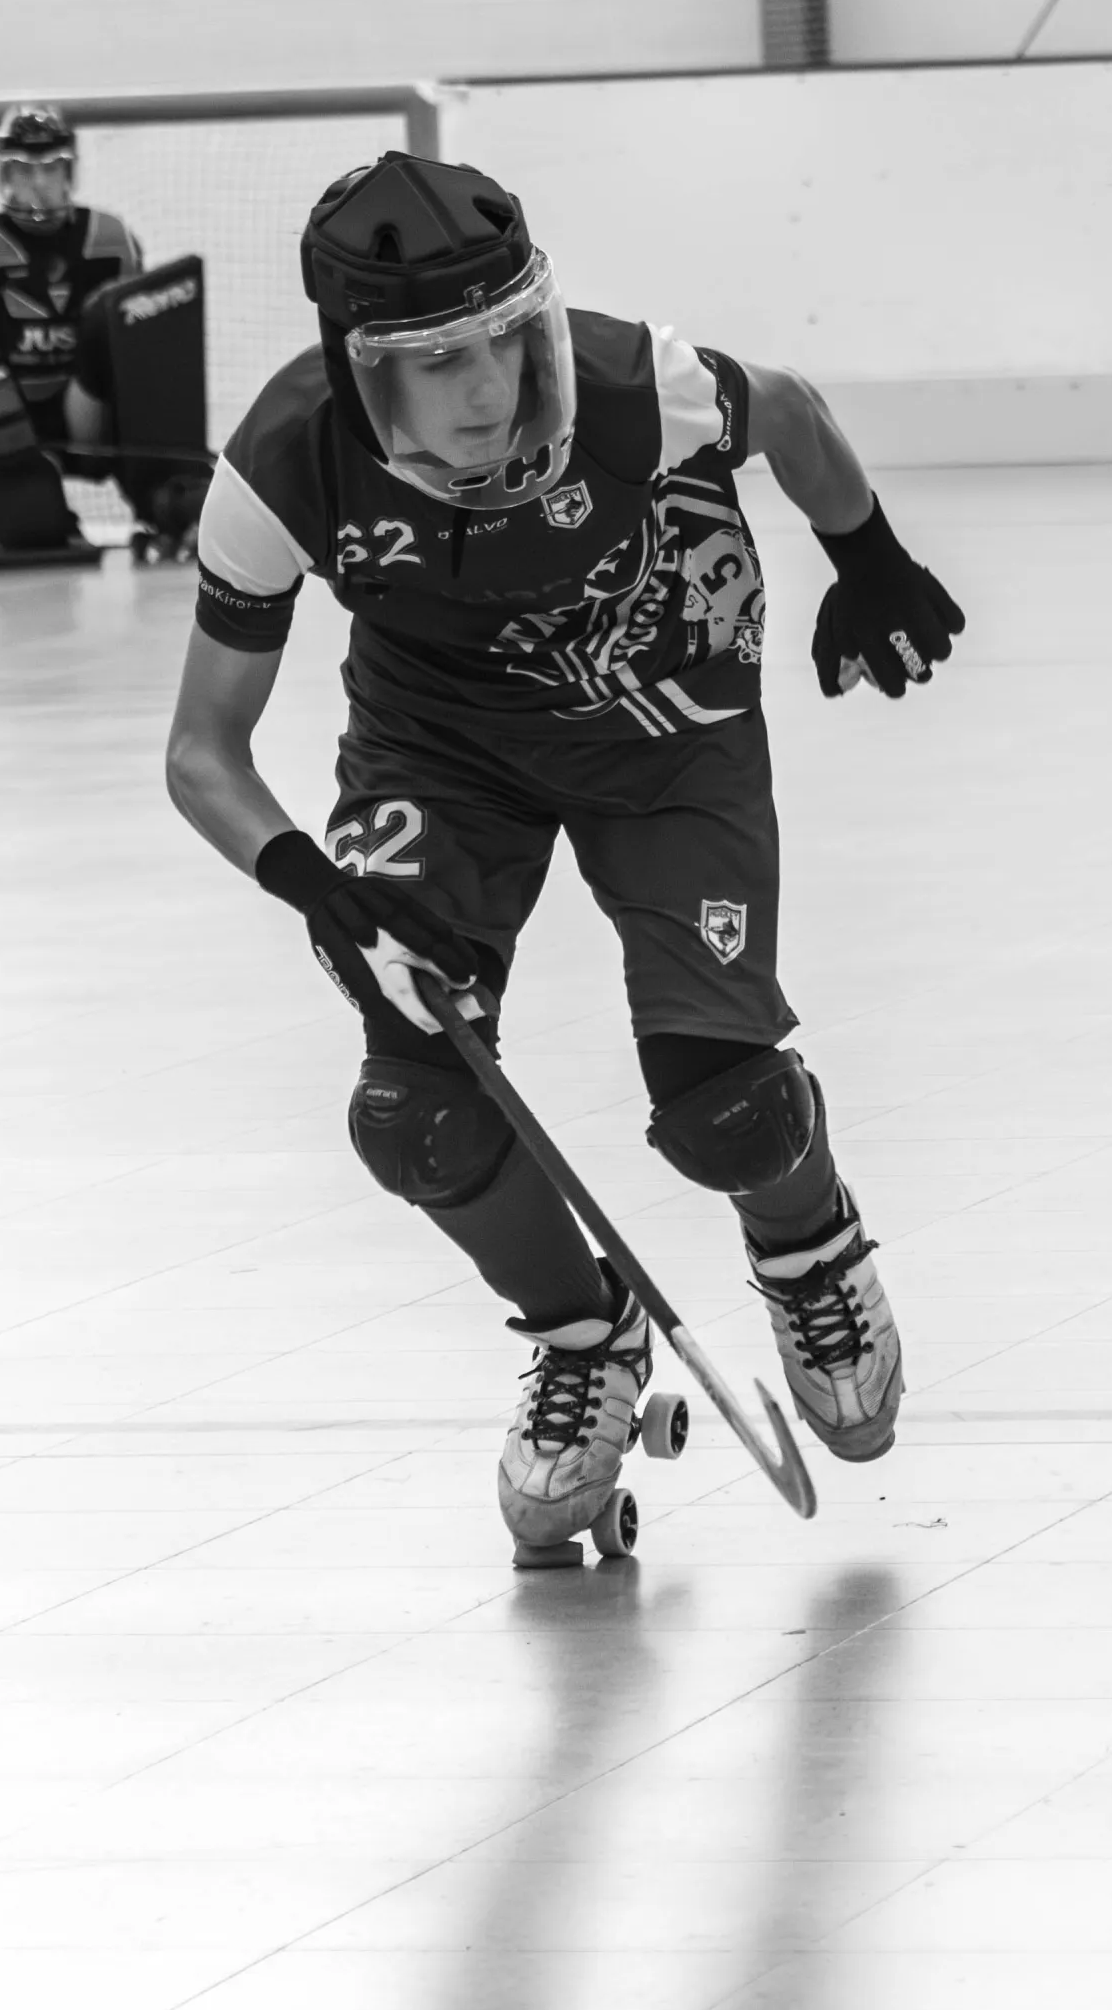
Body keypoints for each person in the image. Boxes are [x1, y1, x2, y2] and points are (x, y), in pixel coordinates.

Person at [159, 151, 967, 1564]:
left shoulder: (632, 383)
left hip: (664, 719)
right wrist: (313, 884)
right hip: (440, 755)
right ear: (359, 373)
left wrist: (868, 556)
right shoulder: (282, 466)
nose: (488, 390)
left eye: (505, 340)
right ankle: (584, 1335)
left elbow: (788, 407)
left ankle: (809, 1246)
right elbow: (201, 753)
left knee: (727, 1105)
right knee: (414, 1110)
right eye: (438, 363)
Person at [0, 102, 207, 568]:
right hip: (17, 430)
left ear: (69, 171)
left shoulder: (113, 240)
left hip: (103, 416)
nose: (38, 184)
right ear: (4, 174)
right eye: (24, 170)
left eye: (51, 168)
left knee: (193, 504)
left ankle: (169, 503)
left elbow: (141, 348)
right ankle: (31, 507)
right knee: (34, 532)